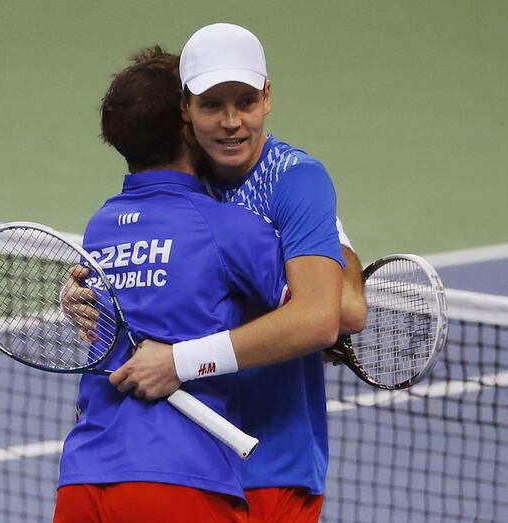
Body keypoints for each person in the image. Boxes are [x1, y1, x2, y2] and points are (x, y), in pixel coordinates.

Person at [108, 23, 367, 523]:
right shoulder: (179, 178)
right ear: (185, 108)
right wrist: (88, 301)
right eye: (211, 106)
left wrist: (181, 362)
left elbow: (330, 316)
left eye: (245, 102)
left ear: (267, 97)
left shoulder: (295, 180)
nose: (231, 123)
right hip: (187, 463)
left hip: (272, 465)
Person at [53, 46, 293, 523]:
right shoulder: (231, 229)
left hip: (82, 482)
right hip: (178, 483)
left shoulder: (102, 226)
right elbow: (317, 317)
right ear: (189, 126)